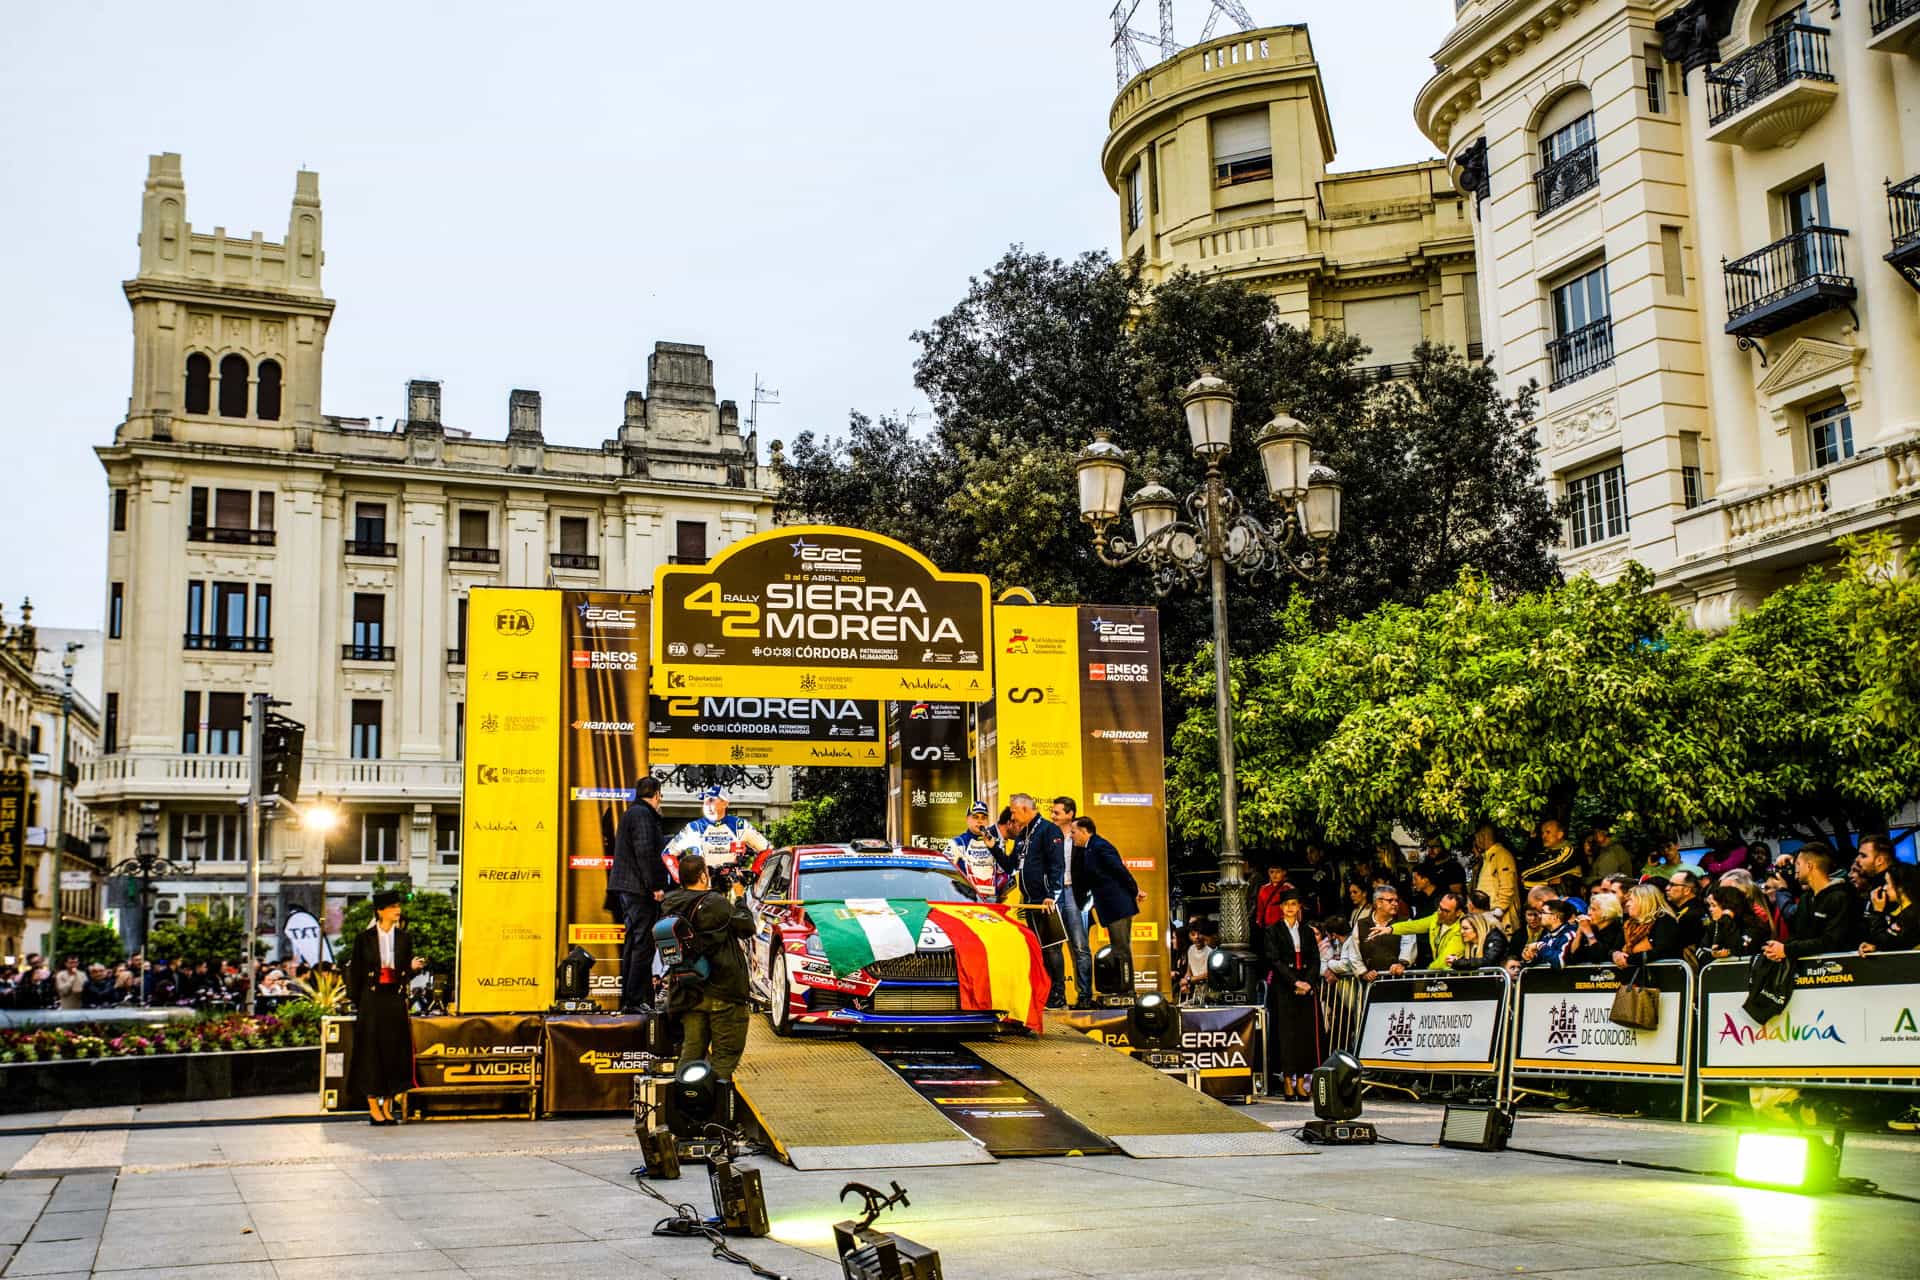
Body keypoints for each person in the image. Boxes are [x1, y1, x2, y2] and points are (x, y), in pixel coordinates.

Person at [660, 852, 756, 1079]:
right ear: (703, 876)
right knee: (724, 1059)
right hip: (723, 992)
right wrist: (740, 898)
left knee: (690, 1057)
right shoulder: (716, 903)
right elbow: (746, 927)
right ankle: (717, 1109)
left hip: (689, 994)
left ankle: (686, 1107)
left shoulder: (669, 904)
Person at [348, 889, 414, 1126]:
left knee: (393, 1051)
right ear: (380, 911)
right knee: (371, 1052)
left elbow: (405, 970)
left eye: (398, 906)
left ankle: (388, 1105)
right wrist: (359, 1002)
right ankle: (373, 1105)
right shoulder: (364, 939)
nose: (398, 910)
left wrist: (410, 969)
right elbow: (354, 972)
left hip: (394, 1000)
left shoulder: (404, 938)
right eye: (393, 906)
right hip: (372, 1000)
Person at [608, 775, 671, 1013]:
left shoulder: (634, 813)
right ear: (656, 794)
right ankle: (634, 1001)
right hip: (638, 890)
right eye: (660, 796)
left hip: (631, 887)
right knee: (642, 945)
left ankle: (633, 1000)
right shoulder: (643, 815)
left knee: (636, 943)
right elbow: (645, 852)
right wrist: (656, 886)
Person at [1008, 793, 1068, 1008]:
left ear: (1024, 809)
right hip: (1030, 901)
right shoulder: (1023, 834)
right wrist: (992, 847)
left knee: (1052, 948)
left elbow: (1057, 865)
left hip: (1045, 901)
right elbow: (1010, 866)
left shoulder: (1048, 830)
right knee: (1039, 949)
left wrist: (1052, 895)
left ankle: (1058, 996)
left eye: (1014, 811)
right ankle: (1044, 993)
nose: (1012, 816)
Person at [1261, 891, 1321, 1099]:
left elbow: (1315, 959)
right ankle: (1287, 1079)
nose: (1290, 908)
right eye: (1286, 904)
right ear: (1281, 907)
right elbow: (1274, 959)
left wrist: (1308, 983)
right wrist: (1294, 981)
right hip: (1284, 986)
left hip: (1305, 983)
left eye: (1294, 904)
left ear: (1299, 907)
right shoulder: (1273, 931)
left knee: (1305, 1034)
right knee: (1286, 1034)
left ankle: (1303, 1081)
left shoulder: (1306, 931)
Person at [1765, 843, 1859, 963]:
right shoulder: (1806, 898)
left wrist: (1787, 949)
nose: (1795, 869)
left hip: (1840, 971)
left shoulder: (1842, 896)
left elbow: (1831, 941)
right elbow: (1799, 936)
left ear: (1809, 866)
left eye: (1798, 864)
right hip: (1807, 974)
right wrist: (1777, 949)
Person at [1070, 817, 1143, 965]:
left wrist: (1135, 890)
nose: (1071, 836)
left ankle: (1127, 988)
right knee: (1118, 949)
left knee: (1121, 949)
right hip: (1110, 906)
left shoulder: (1100, 846)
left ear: (1084, 832)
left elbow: (1119, 870)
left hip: (1118, 905)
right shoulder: (1089, 848)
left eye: (1073, 832)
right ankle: (1122, 986)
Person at [1046, 797, 1095, 1009]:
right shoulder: (1048, 836)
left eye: (1057, 813)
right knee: (1052, 946)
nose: (1053, 816)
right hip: (1054, 895)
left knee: (1080, 947)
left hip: (1075, 893)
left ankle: (1084, 996)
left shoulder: (1081, 837)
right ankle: (1058, 996)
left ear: (1070, 814)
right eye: (1052, 812)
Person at [666, 784, 770, 882]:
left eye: (711, 800)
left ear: (725, 803)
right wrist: (681, 879)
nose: (707, 805)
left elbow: (767, 849)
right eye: (704, 801)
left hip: (732, 889)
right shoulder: (693, 827)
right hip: (702, 887)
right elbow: (667, 854)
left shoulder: (740, 825)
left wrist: (754, 874)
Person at [1333, 886, 1415, 981]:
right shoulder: (1361, 924)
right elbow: (1354, 953)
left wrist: (1401, 964)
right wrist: (1363, 972)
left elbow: (1409, 946)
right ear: (1378, 903)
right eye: (1390, 900)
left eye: (1396, 900)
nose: (1395, 904)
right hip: (1371, 983)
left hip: (1399, 980)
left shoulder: (1405, 922)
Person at [1373, 891, 1468, 969]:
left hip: (1455, 976)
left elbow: (1444, 961)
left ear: (1458, 912)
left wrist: (1427, 974)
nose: (1440, 912)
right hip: (1441, 973)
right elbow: (1415, 925)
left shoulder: (1463, 928)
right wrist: (1390, 929)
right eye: (1440, 907)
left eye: (1446, 911)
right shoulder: (1437, 917)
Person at [947, 801, 1004, 901]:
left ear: (987, 821)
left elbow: (1003, 872)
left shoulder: (996, 843)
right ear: (967, 819)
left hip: (991, 900)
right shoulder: (957, 843)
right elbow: (946, 873)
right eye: (975, 817)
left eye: (983, 817)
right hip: (966, 899)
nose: (979, 821)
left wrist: (999, 891)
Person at [1612, 884, 1681, 967]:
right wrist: (1616, 954)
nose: (1627, 904)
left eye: (1631, 900)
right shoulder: (1629, 925)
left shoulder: (1664, 920)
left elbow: (1662, 951)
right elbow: (1615, 948)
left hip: (1663, 976)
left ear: (1644, 901)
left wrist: (1629, 959)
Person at [1861, 863, 1920, 953]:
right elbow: (1893, 944)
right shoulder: (1900, 910)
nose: (1885, 888)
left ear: (1900, 887)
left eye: (1888, 883)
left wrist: (1877, 912)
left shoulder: (1911, 915)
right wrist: (1875, 947)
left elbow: (1885, 942)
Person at [1471, 824, 1520, 930]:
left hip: (1500, 918)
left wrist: (1499, 911)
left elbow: (1508, 885)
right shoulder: (1486, 857)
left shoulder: (1502, 855)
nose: (1477, 841)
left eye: (1477, 837)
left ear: (1483, 837)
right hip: (1487, 915)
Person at [1706, 885, 1772, 959]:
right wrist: (1715, 952)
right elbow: (1708, 947)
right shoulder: (1717, 924)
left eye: (1714, 905)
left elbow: (1740, 949)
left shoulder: (1753, 928)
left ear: (1728, 907)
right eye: (1709, 905)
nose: (1710, 909)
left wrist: (1726, 918)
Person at [1566, 892, 1625, 966]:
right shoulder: (1591, 928)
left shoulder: (1619, 931)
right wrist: (1579, 932)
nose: (1589, 913)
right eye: (1589, 908)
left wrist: (1588, 932)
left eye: (1593, 909)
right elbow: (1572, 957)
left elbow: (1598, 957)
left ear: (1607, 913)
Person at [1519, 901, 1578, 969]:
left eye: (1543, 912)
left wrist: (1539, 945)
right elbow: (1541, 959)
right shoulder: (1547, 936)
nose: (1539, 916)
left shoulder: (1569, 935)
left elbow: (1560, 962)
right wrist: (1529, 957)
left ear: (1555, 917)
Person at [1522, 818, 1579, 888]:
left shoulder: (1568, 851)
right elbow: (1526, 884)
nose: (1544, 836)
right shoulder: (1544, 853)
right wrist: (1547, 883)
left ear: (1560, 835)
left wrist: (1524, 876)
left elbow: (1549, 869)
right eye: (1542, 833)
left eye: (1548, 832)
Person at [1666, 869, 1708, 953]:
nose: (1667, 888)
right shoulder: (1695, 907)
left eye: (1672, 885)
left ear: (1687, 890)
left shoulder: (1691, 915)